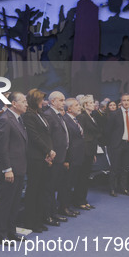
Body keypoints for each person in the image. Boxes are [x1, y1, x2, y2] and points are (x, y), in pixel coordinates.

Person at [0, 91, 28, 242]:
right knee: (6, 203)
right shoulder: (5, 120)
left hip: (19, 168)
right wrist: (7, 169)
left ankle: (11, 232)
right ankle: (2, 235)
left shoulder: (18, 119)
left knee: (15, 203)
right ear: (14, 104)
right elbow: (2, 148)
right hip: (10, 170)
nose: (27, 104)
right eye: (24, 101)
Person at [23, 89, 54, 234]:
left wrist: (49, 151)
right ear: (35, 100)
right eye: (41, 99)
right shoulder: (28, 116)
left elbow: (47, 134)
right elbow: (34, 137)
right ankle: (31, 222)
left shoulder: (40, 114)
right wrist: (48, 150)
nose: (44, 102)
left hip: (44, 156)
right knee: (33, 190)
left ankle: (39, 219)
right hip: (35, 157)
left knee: (42, 189)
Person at [43, 91, 75, 223]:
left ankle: (54, 212)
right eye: (61, 100)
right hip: (53, 157)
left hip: (61, 156)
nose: (64, 102)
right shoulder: (49, 115)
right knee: (50, 188)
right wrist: (49, 154)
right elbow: (47, 137)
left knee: (56, 186)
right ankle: (49, 215)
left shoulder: (58, 115)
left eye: (64, 100)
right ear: (52, 102)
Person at [74, 95, 101, 209]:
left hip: (90, 150)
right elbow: (81, 135)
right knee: (81, 177)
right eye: (90, 102)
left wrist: (94, 153)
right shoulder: (82, 117)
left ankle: (83, 200)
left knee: (85, 177)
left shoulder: (92, 116)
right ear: (85, 105)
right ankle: (79, 201)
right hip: (84, 151)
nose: (93, 104)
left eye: (93, 102)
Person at [106, 94, 129, 197]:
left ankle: (124, 188)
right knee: (114, 168)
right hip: (117, 145)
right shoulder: (114, 114)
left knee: (125, 168)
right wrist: (111, 144)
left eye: (128, 100)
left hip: (128, 145)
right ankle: (113, 189)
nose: (126, 102)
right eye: (124, 100)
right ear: (121, 102)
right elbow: (108, 131)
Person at [62, 97, 86, 213]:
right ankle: (64, 207)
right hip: (70, 157)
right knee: (66, 184)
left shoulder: (75, 120)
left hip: (78, 156)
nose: (79, 107)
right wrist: (66, 159)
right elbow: (66, 141)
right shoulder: (65, 120)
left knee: (73, 182)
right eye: (76, 105)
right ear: (70, 108)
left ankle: (70, 204)